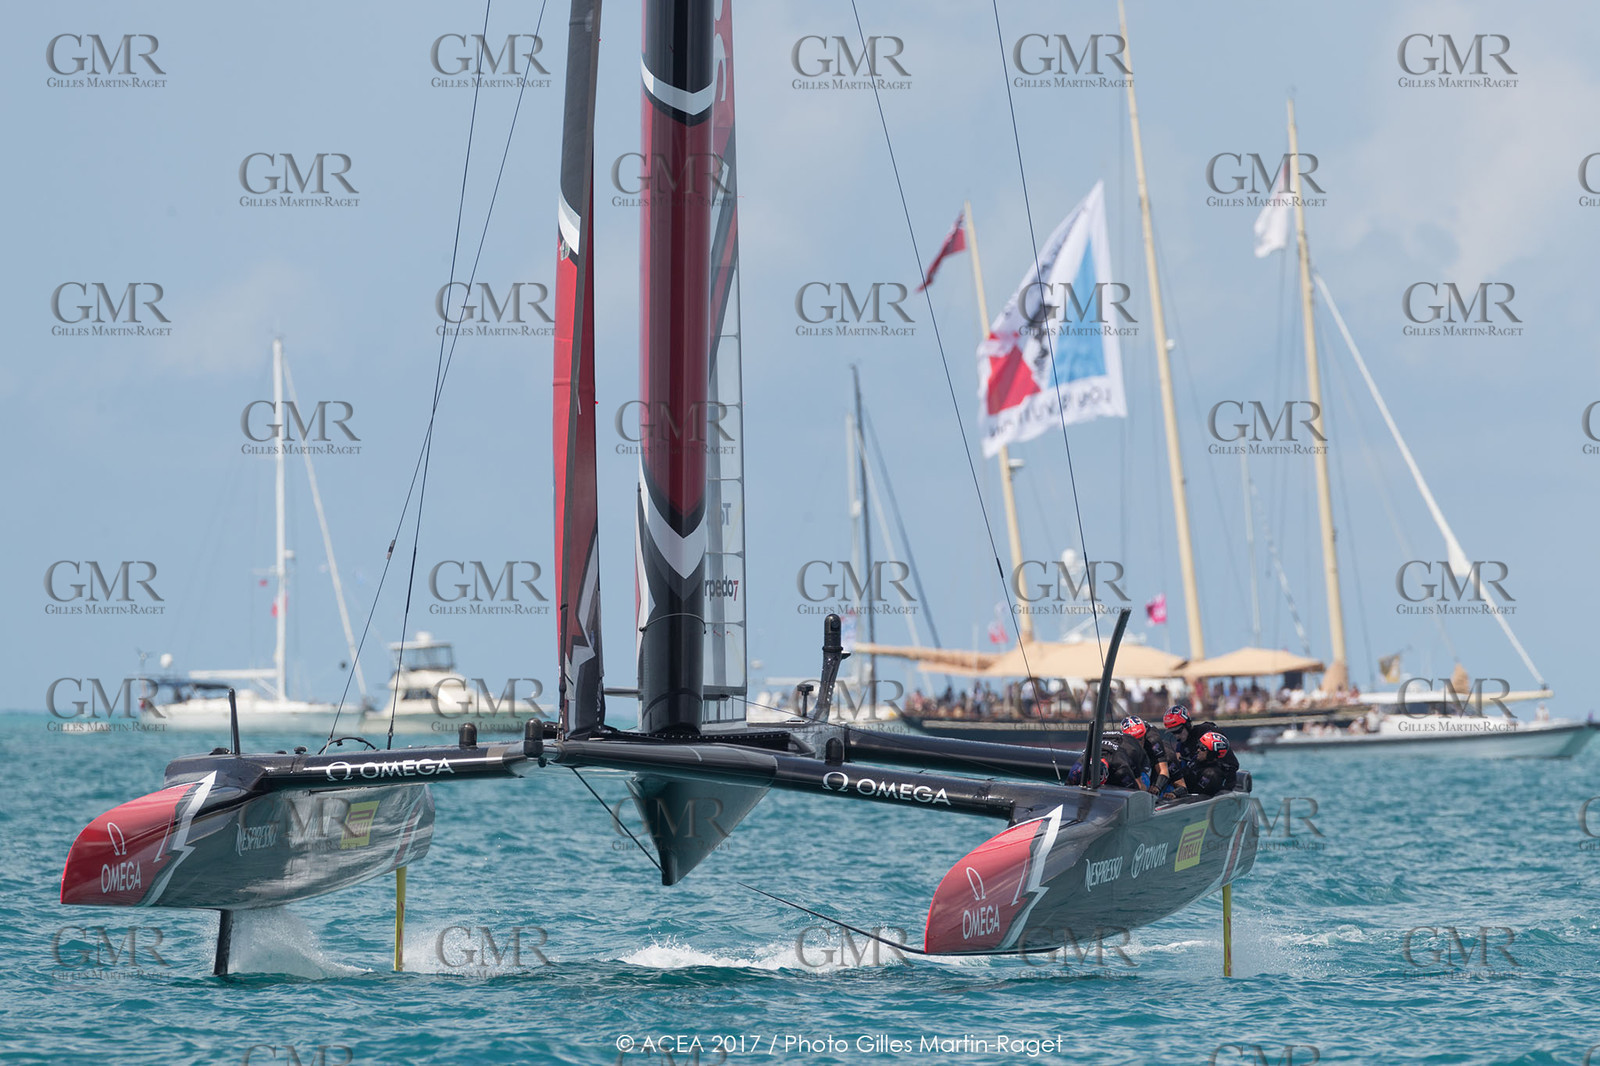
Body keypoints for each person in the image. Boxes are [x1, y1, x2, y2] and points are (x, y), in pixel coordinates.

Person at [1162, 705, 1218, 780]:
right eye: (1173, 733)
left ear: (1187, 725)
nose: (1177, 736)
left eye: (1178, 731)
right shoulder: (1180, 746)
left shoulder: (1205, 731)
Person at [1119, 716, 1171, 795]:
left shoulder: (1152, 740)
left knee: (1145, 782)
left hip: (1150, 756)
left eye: (1140, 739)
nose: (1139, 744)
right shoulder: (1122, 741)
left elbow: (1164, 771)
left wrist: (1157, 787)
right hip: (1135, 757)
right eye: (1134, 741)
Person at [1180, 731, 1239, 796]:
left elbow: (1196, 795)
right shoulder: (1196, 762)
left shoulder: (1210, 774)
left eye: (1203, 748)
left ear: (1212, 753)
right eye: (1199, 745)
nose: (1198, 750)